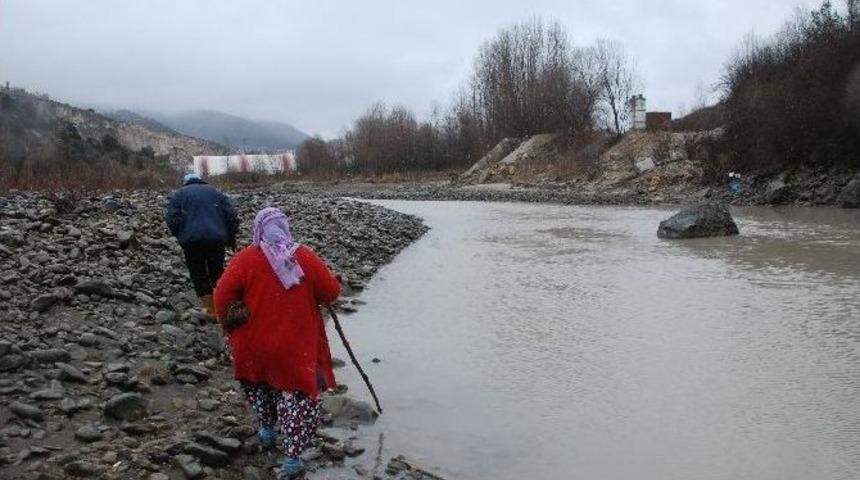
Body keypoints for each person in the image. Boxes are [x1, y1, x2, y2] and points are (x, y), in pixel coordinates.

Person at [213, 207, 341, 479]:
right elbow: (331, 292)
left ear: (257, 230)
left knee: (260, 387)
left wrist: (232, 324)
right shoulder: (302, 256)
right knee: (295, 398)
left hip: (253, 347)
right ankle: (292, 459)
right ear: (285, 228)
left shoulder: (245, 258)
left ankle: (267, 431)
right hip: (294, 350)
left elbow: (222, 297)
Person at [165, 173, 238, 316]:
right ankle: (222, 306)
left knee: (198, 273)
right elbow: (231, 216)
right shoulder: (215, 192)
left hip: (192, 241)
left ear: (186, 182)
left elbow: (171, 219)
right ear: (200, 180)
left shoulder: (179, 195)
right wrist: (230, 238)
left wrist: (181, 235)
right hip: (216, 239)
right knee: (217, 271)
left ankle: (210, 309)